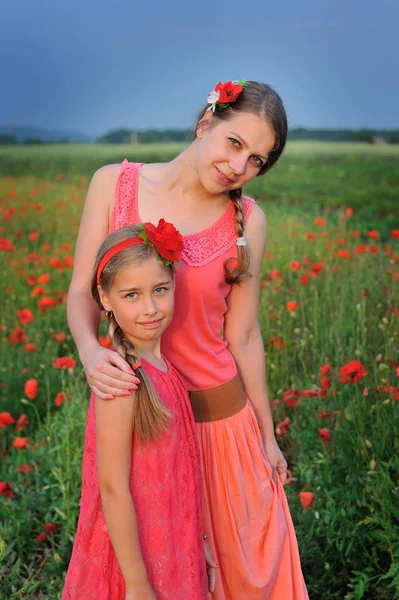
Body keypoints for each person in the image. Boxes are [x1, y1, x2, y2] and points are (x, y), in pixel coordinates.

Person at [67, 80, 309, 599]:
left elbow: (242, 335)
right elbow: (81, 293)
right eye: (235, 143)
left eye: (258, 161)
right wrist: (91, 353)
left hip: (221, 429)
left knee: (239, 574)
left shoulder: (248, 222)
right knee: (149, 574)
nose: (238, 167)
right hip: (143, 425)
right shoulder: (114, 185)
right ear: (207, 123)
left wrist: (267, 437)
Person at [62, 222, 216, 600]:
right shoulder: (121, 381)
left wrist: (201, 544)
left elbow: (183, 476)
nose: (150, 308)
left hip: (174, 543)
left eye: (160, 290)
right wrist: (136, 584)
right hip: (134, 558)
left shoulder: (169, 372)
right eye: (131, 295)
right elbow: (113, 489)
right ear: (106, 298)